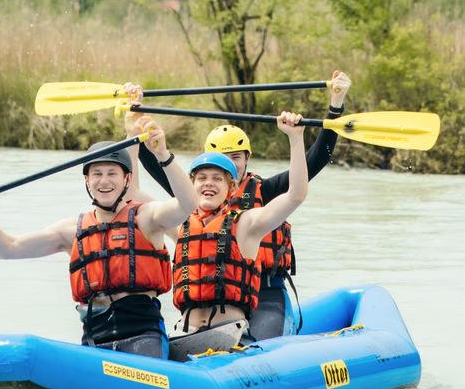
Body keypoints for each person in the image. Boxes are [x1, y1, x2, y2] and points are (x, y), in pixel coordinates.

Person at [132, 69, 351, 340]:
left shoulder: (265, 191)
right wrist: (137, 115)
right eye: (218, 159)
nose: (229, 165)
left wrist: (334, 106)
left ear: (247, 158)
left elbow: (314, 163)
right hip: (212, 299)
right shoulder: (195, 197)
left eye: (236, 156)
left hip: (266, 291)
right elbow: (156, 164)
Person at [0, 113, 194, 359]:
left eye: (111, 173)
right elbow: (7, 249)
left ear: (127, 179)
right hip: (95, 344)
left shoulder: (147, 218)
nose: (104, 181)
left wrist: (162, 155)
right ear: (87, 180)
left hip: (143, 338)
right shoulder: (71, 231)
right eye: (97, 174)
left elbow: (188, 204)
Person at [167, 110, 312, 358]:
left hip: (230, 335)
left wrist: (295, 139)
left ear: (231, 187)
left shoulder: (246, 224)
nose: (208, 184)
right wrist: (142, 140)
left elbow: (296, 194)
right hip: (187, 333)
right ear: (190, 186)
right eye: (201, 178)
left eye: (216, 179)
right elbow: (133, 196)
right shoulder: (180, 222)